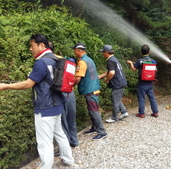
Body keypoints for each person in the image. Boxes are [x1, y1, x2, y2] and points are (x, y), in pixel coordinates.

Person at [0, 34, 74, 168]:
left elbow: (28, 84)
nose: (30, 49)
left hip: (45, 108)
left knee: (44, 142)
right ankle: (68, 160)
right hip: (58, 104)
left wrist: (6, 86)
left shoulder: (41, 62)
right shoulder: (56, 59)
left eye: (32, 45)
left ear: (41, 45)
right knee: (60, 134)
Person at [72, 42, 107, 139]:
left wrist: (72, 85)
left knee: (94, 111)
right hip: (93, 88)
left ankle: (102, 132)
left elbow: (78, 78)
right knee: (92, 110)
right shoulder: (89, 59)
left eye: (74, 50)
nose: (74, 52)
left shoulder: (82, 62)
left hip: (90, 90)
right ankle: (94, 127)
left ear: (78, 50)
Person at [49, 42, 78, 147]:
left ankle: (64, 149)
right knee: (71, 118)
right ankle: (74, 141)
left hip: (60, 94)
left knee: (62, 122)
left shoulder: (49, 61)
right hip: (70, 92)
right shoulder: (65, 60)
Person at [126, 44, 159, 118]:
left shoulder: (139, 61)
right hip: (150, 83)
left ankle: (141, 113)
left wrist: (131, 63)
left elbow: (134, 69)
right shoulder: (153, 61)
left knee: (141, 98)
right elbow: (155, 70)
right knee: (152, 98)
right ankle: (155, 112)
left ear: (141, 52)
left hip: (142, 83)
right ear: (149, 52)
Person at [98, 45, 128, 123]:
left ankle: (114, 118)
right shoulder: (114, 59)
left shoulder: (110, 61)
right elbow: (109, 72)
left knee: (115, 101)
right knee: (117, 98)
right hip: (121, 82)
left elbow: (111, 73)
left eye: (103, 52)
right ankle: (124, 112)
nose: (102, 54)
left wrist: (107, 80)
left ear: (107, 52)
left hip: (117, 84)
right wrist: (100, 76)